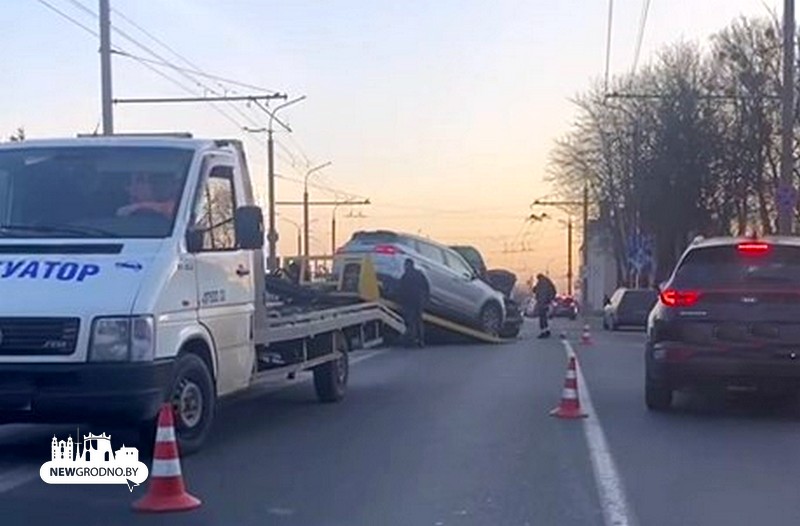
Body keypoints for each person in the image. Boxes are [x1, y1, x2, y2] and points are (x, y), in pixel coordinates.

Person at [398, 258, 430, 348]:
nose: (404, 267)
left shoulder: (405, 276)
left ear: (408, 265)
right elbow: (426, 286)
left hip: (409, 302)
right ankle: (421, 340)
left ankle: (412, 340)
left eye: (405, 265)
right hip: (419, 301)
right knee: (419, 321)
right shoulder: (419, 274)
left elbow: (401, 289)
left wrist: (400, 301)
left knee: (410, 322)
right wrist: (426, 299)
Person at [532, 273, 557, 339]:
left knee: (542, 318)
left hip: (542, 302)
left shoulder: (541, 283)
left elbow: (535, 290)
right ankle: (547, 330)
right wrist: (550, 299)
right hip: (546, 302)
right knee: (544, 317)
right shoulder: (548, 282)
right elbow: (553, 291)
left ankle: (544, 332)